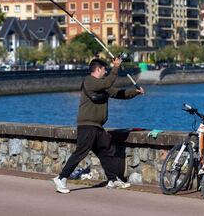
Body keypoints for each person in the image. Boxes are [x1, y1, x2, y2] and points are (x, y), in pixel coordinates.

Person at [53, 57, 144, 194]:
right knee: (80, 152)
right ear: (98, 69)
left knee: (105, 152)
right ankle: (61, 178)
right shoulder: (89, 81)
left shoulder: (103, 85)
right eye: (104, 69)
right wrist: (116, 67)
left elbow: (118, 94)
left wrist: (134, 92)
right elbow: (109, 82)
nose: (106, 71)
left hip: (97, 127)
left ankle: (112, 180)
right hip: (87, 125)